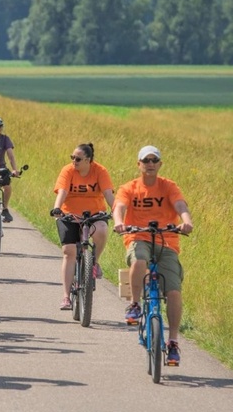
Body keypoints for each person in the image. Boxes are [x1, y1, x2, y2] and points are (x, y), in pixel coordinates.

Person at [112, 145, 194, 366]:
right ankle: (135, 304)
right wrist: (119, 223)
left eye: (154, 160)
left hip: (167, 240)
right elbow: (119, 206)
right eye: (145, 160)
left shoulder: (168, 186)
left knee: (174, 291)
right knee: (139, 259)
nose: (149, 164)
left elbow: (180, 205)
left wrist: (186, 221)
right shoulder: (129, 187)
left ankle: (174, 341)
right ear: (138, 164)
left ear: (160, 164)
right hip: (138, 236)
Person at [49, 143, 115, 310]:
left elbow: (108, 193)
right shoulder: (68, 171)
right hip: (69, 214)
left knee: (101, 229)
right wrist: (57, 208)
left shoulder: (100, 171)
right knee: (69, 252)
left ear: (88, 160)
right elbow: (62, 191)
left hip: (94, 214)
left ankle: (94, 262)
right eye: (72, 157)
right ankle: (66, 297)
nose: (74, 161)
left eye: (77, 159)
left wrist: (116, 211)